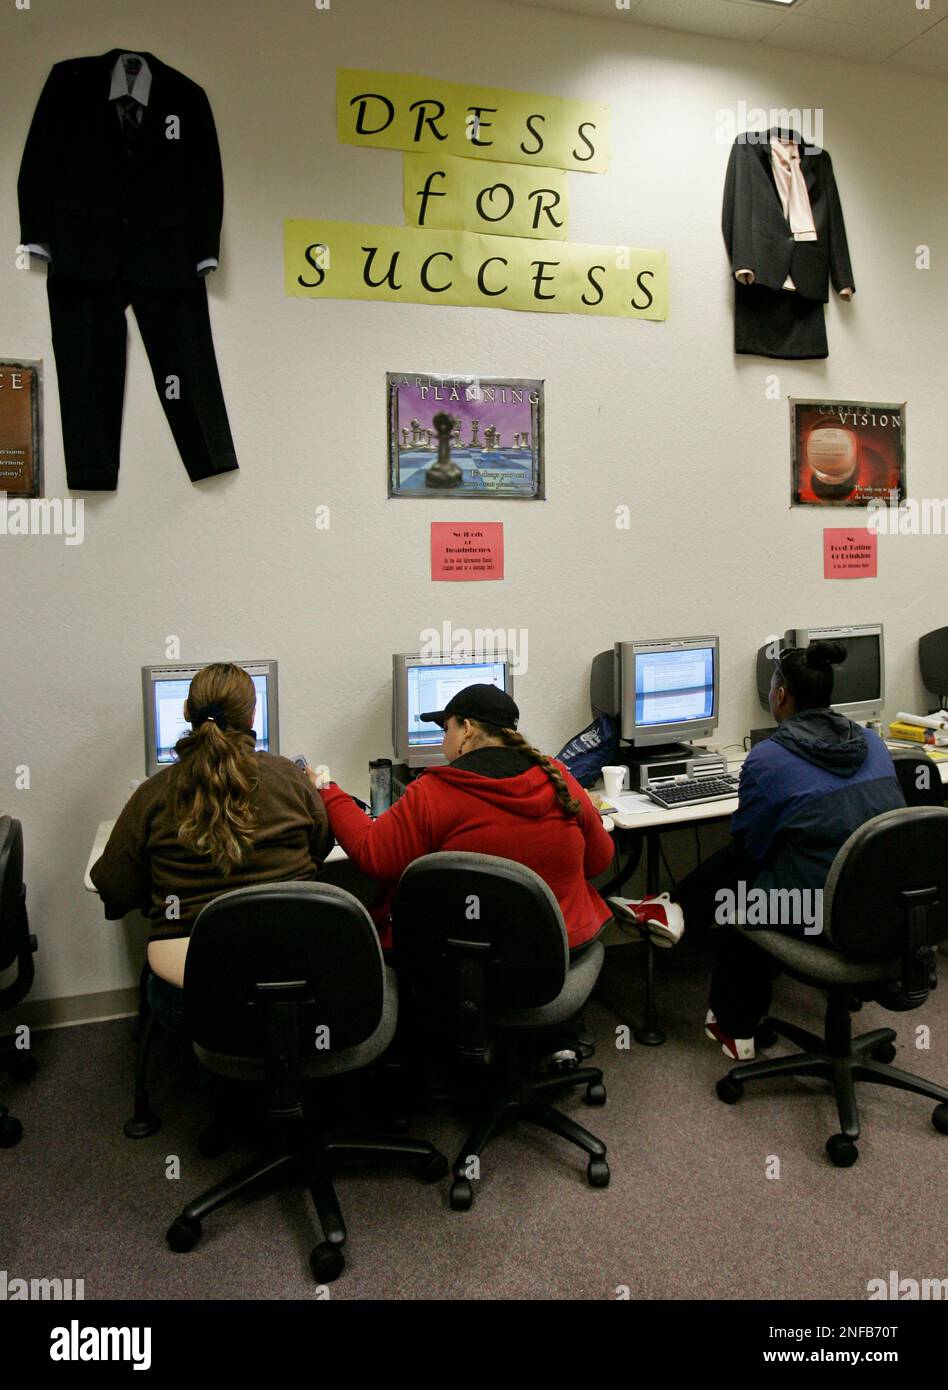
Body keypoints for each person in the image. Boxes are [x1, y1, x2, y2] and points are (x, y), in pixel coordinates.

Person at [678, 641, 905, 1060]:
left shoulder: (769, 758)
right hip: (884, 909)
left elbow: (750, 847)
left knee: (740, 896)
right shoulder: (873, 743)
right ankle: (674, 911)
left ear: (781, 694)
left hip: (819, 913)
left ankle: (735, 1027)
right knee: (763, 874)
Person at [91, 662, 332, 1036]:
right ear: (253, 715)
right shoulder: (289, 778)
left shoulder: (153, 794)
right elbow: (321, 846)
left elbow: (113, 886)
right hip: (294, 977)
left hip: (195, 995)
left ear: (187, 714)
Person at [310, 684, 614, 956]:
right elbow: (599, 860)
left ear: (466, 729)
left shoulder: (436, 791)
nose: (444, 739)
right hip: (562, 951)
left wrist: (326, 788)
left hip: (475, 959)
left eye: (446, 729)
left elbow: (371, 852)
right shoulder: (557, 774)